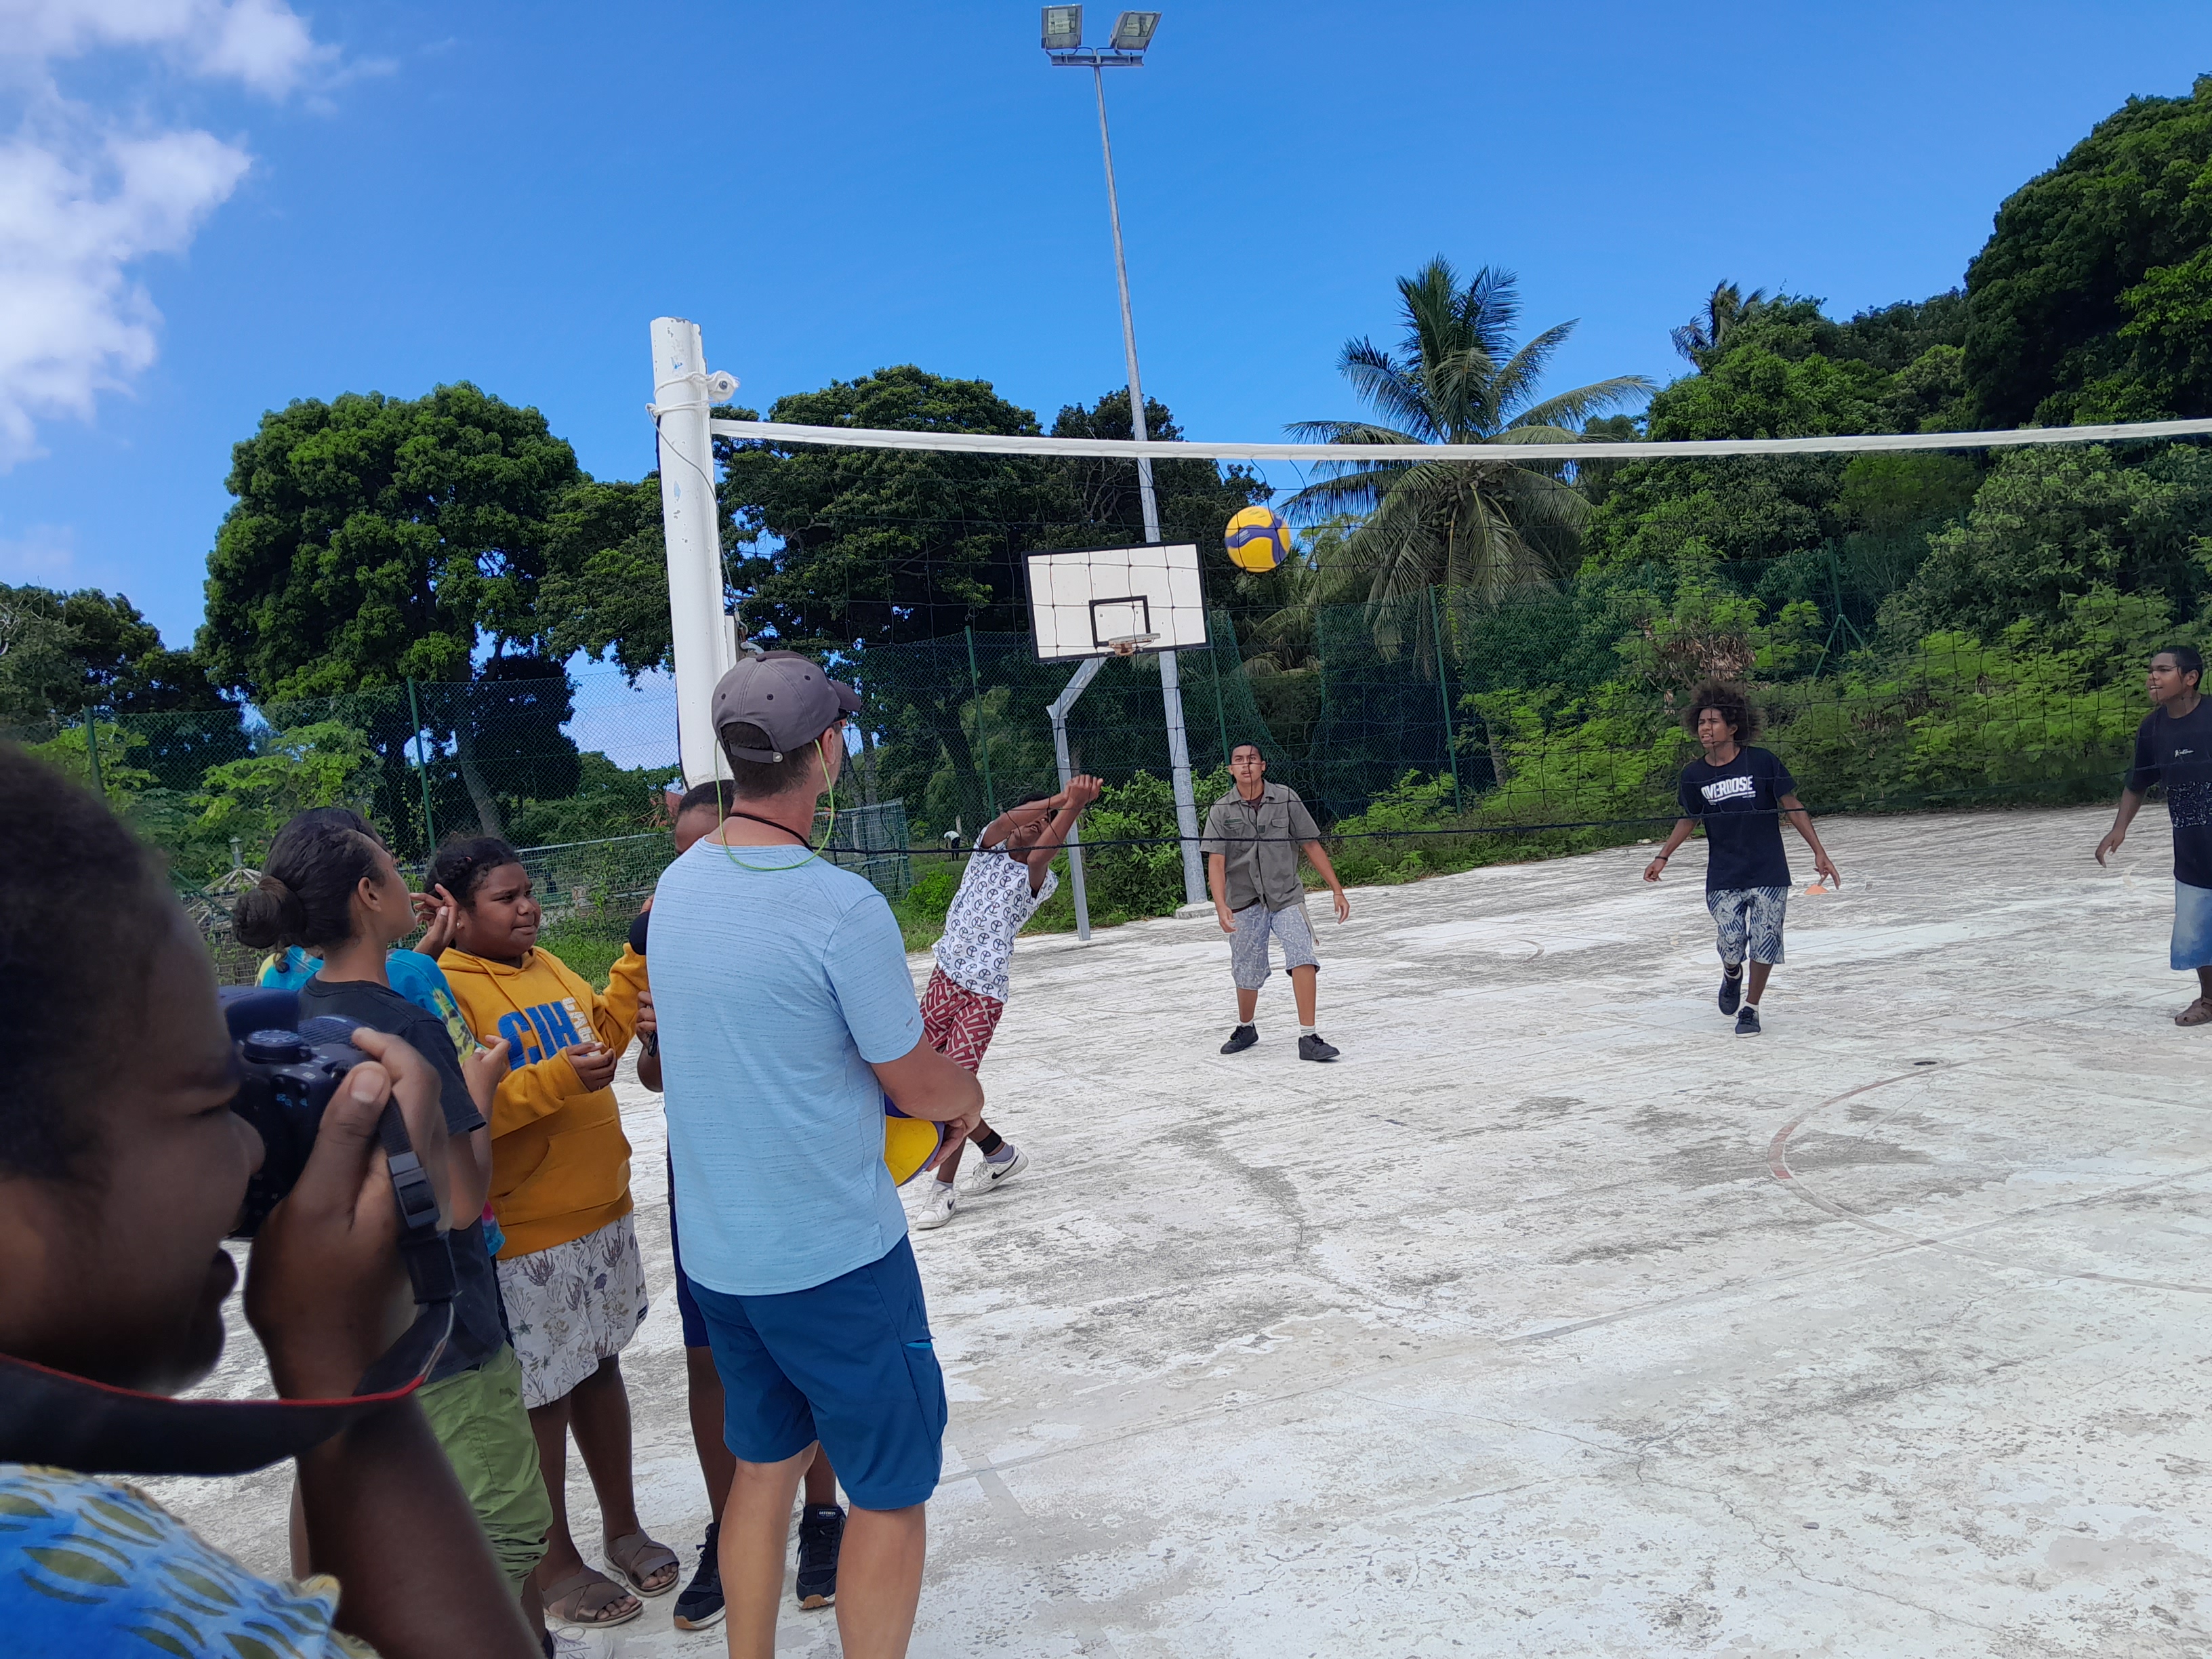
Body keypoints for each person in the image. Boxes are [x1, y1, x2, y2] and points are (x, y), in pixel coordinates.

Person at [0, 744, 539, 1659]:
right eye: (212, 1100)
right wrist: (349, 1367)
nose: (256, 1150)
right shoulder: (84, 1601)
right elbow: (460, 1201)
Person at [647, 651, 983, 1659]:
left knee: (764, 1471)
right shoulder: (838, 907)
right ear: (827, 750)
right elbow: (914, 1081)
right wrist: (967, 1097)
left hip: (723, 1259)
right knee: (889, 1490)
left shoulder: (677, 889)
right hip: (834, 1260)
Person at [232, 811, 573, 1650]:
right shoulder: (409, 1024)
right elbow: (460, 1201)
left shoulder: (302, 1012)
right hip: (447, 1337)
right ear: (367, 893)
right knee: (502, 1533)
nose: (407, 882)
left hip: (362, 1332)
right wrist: (480, 1090)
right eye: (391, 867)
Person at [428, 837, 672, 1629]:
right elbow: (459, 1110)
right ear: (455, 912)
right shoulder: (444, 987)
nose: (528, 907)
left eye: (527, 892)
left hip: (600, 1212)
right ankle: (555, 1563)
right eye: (505, 898)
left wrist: (636, 955)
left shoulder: (547, 966)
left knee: (600, 1369)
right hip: (526, 1231)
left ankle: (623, 1527)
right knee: (542, 1398)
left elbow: (602, 1033)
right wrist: (559, 1078)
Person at [632, 779, 846, 1626]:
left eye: (709, 849)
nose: (697, 871)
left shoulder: (802, 923)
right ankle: (732, 1527)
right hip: (705, 1182)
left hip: (790, 1177)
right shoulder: (664, 942)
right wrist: (657, 1034)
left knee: (810, 1353)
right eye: (681, 857)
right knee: (709, 1360)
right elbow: (655, 1079)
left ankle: (822, 1514)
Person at [913, 776, 1102, 1230]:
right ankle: (998, 1153)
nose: (1038, 825)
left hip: (984, 994)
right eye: (1034, 817)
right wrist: (1059, 799)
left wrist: (1072, 807)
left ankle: (943, 1189)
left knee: (955, 1087)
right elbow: (1004, 822)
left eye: (1047, 823)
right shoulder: (987, 850)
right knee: (919, 1077)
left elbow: (1039, 856)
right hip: (944, 977)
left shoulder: (1040, 878)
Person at [1643, 680, 1841, 1037]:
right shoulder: (1694, 775)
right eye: (1701, 722)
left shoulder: (1761, 761)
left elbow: (1792, 806)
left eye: (1713, 722)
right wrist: (1663, 857)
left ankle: (1751, 1009)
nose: (1705, 729)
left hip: (1768, 870)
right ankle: (1731, 972)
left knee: (1766, 939)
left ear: (1733, 727)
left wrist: (1819, 851)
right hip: (1725, 874)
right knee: (1732, 942)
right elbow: (1689, 818)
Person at [1200, 742, 1351, 1061]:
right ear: (1231, 770)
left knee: (1302, 954)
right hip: (1244, 900)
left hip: (1286, 895)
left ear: (1263, 766)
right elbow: (1216, 861)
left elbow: (1310, 844)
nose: (1246, 765)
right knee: (1247, 969)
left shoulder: (1286, 798)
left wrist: (1336, 889)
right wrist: (1220, 905)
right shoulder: (1221, 810)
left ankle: (1309, 1037)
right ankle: (1246, 1027)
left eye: (1252, 760)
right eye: (1239, 761)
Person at [2095, 645, 2212, 1024]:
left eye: (2163, 670)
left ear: (2190, 678)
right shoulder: (2153, 728)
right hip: (2192, 848)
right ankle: (2209, 1001)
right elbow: (2138, 782)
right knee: (2197, 927)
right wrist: (2119, 828)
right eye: (2151, 670)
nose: (2152, 677)